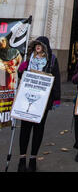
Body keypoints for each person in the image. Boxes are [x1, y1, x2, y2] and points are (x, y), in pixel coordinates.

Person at [17, 36, 61, 172]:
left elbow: (56, 79)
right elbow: (21, 75)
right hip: (27, 97)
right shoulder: (29, 59)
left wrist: (56, 98)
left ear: (45, 47)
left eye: (40, 45)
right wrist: (22, 68)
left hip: (43, 100)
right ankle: (22, 158)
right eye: (36, 44)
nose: (38, 46)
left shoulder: (52, 61)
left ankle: (33, 158)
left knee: (38, 129)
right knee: (25, 128)